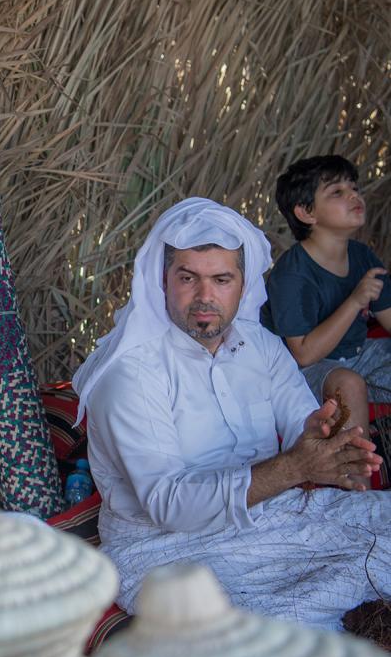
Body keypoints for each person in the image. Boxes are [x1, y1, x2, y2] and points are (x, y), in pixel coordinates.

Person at [72, 197, 391, 631]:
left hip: (277, 515)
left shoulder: (258, 346)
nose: (205, 297)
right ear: (162, 280)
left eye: (222, 279)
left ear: (243, 285)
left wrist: (325, 439)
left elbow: (302, 419)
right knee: (282, 632)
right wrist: (296, 465)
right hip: (167, 550)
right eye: (188, 278)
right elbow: (169, 505)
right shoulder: (131, 373)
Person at [264, 155, 391, 438]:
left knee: (353, 375)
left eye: (354, 188)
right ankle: (352, 479)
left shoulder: (362, 256)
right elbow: (304, 354)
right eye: (337, 192)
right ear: (306, 213)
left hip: (359, 356)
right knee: (348, 384)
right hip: (299, 373)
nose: (354, 196)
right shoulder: (292, 274)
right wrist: (356, 301)